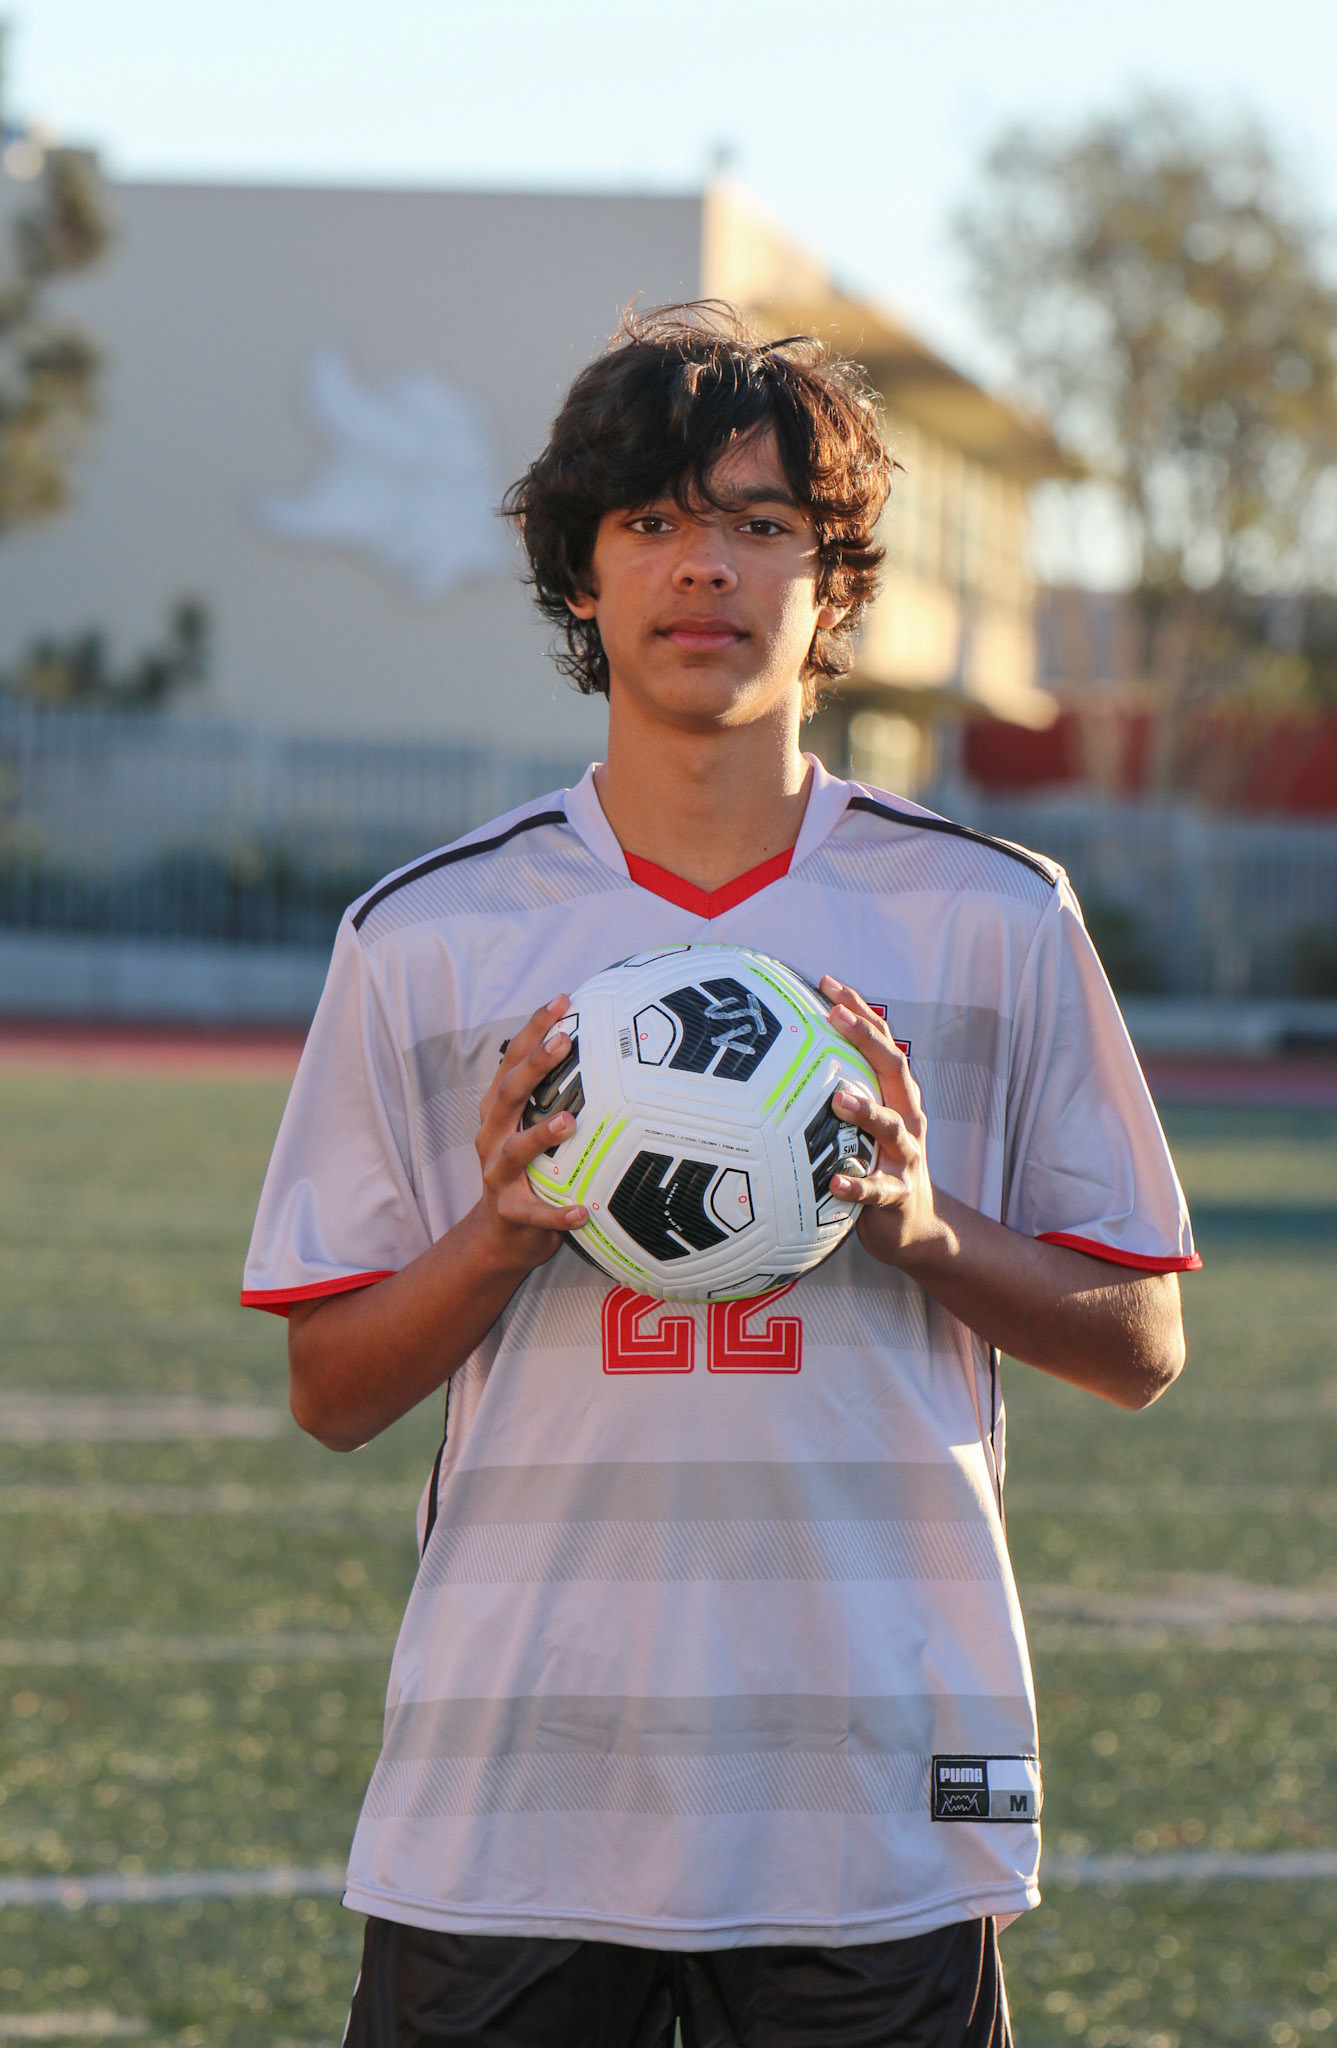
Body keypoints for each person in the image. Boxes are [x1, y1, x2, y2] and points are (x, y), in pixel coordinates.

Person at [243, 303, 1198, 2048]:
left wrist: (919, 1228)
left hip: (874, 1792)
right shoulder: (427, 935)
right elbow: (329, 1392)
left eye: (762, 524)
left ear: (831, 587)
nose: (706, 567)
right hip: (512, 1797)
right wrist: (499, 1237)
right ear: (580, 577)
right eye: (653, 521)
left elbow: (1139, 1343)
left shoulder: (992, 916)